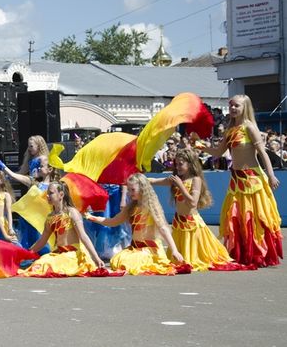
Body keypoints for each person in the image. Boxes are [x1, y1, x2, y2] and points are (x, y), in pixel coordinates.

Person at [195, 94, 282, 267]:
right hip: (236, 180)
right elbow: (218, 153)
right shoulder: (229, 130)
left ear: (245, 108)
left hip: (253, 179)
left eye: (237, 106)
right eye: (231, 105)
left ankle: (258, 254)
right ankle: (241, 252)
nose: (233, 108)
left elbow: (262, 153)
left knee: (255, 217)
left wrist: (271, 175)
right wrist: (201, 145)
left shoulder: (249, 127)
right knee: (236, 216)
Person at [150, 149, 240, 271]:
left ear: (190, 164)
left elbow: (192, 202)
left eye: (181, 164)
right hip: (179, 224)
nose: (178, 167)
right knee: (178, 260)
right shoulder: (176, 180)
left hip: (192, 223)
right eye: (176, 164)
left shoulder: (195, 180)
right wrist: (138, 177)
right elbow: (154, 181)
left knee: (195, 260)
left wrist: (180, 186)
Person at [86, 173, 185, 275]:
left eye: (132, 190)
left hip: (148, 250)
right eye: (128, 189)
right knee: (117, 260)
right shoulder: (131, 207)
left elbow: (163, 228)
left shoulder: (151, 206)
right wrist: (93, 217)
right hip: (134, 248)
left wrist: (174, 250)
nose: (129, 193)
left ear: (142, 188)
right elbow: (113, 221)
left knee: (129, 264)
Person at [19, 181, 104, 277]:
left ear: (61, 194)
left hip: (73, 255)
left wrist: (96, 258)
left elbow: (83, 236)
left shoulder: (72, 212)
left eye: (51, 193)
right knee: (41, 263)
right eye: (47, 193)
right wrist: (27, 253)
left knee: (49, 265)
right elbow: (42, 241)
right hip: (59, 253)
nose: (47, 196)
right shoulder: (50, 217)